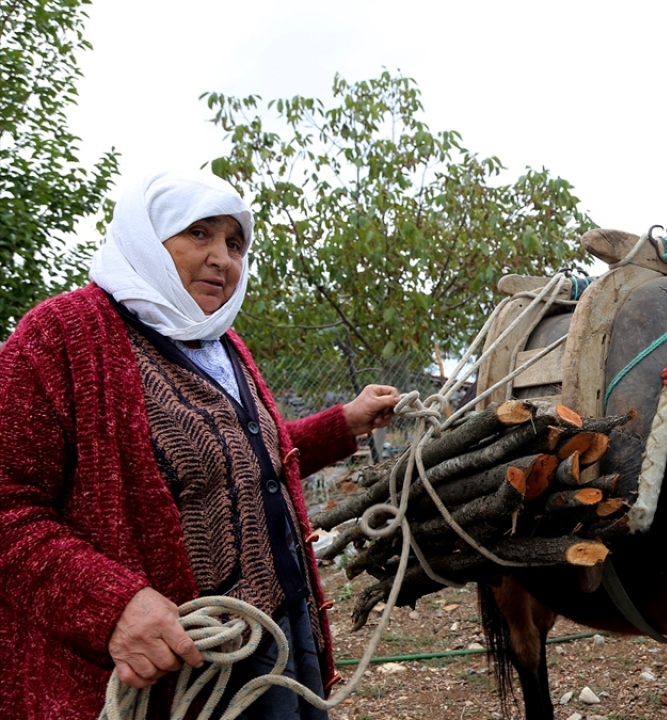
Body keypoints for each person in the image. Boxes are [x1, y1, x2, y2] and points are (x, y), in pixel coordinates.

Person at [0, 169, 400, 719]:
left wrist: (345, 422)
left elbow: (245, 464)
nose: (222, 258)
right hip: (169, 660)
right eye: (199, 234)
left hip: (277, 628)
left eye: (235, 243)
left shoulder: (219, 340)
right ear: (146, 237)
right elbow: (9, 507)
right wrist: (111, 604)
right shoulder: (62, 335)